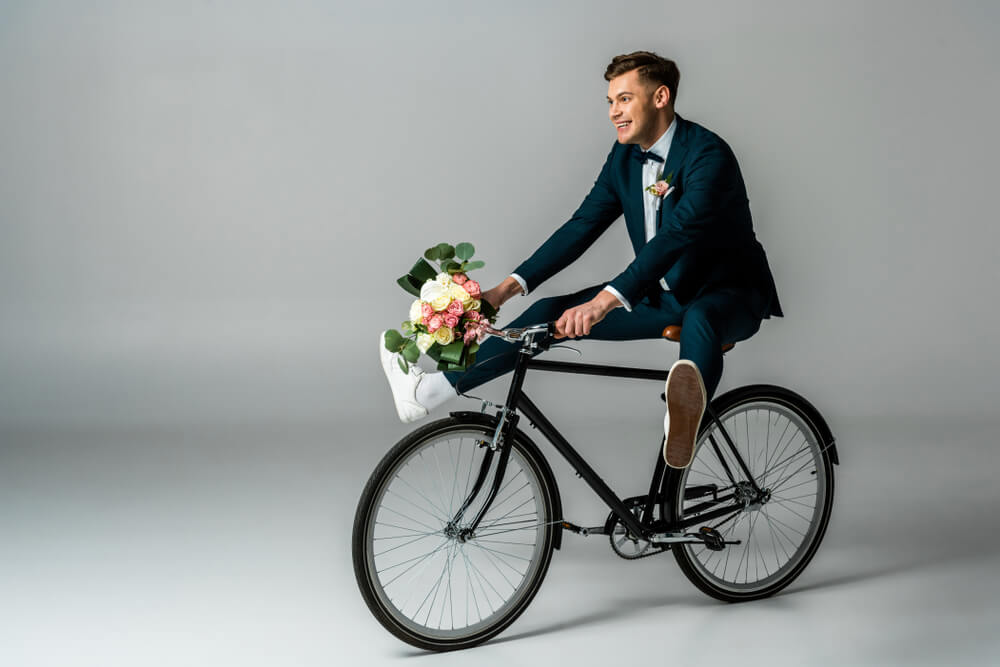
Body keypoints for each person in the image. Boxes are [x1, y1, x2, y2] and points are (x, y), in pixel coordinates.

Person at [379, 51, 782, 468]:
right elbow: (582, 225)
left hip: (731, 292)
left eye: (624, 99)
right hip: (662, 293)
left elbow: (676, 238)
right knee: (547, 313)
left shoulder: (707, 154)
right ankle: (430, 393)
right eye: (610, 102)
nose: (614, 112)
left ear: (660, 97)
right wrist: (505, 290)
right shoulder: (625, 156)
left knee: (702, 319)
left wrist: (604, 301)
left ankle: (683, 424)